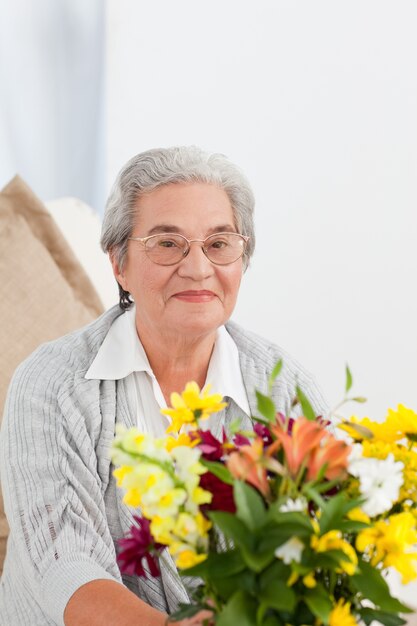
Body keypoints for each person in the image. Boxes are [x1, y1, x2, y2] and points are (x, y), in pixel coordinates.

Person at [0, 146, 327, 625]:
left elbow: (319, 547)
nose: (197, 269)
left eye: (219, 244)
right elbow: (63, 564)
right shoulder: (50, 383)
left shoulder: (285, 390)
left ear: (243, 259)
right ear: (119, 263)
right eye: (167, 244)